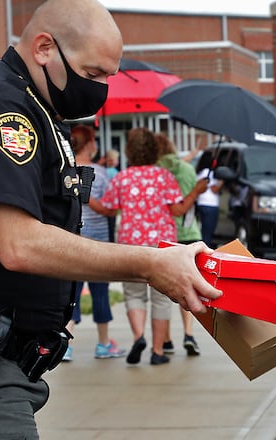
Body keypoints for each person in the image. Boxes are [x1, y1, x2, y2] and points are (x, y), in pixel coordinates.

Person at [0, 2, 221, 439]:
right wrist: (149, 263)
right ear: (44, 47)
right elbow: (19, 243)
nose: (98, 89)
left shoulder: (35, 109)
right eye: (93, 74)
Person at [101, 128, 208, 366]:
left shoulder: (122, 178)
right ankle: (157, 351)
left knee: (133, 294)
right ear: (155, 150)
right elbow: (178, 210)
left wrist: (87, 199)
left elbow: (108, 208)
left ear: (129, 151)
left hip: (131, 245)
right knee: (160, 298)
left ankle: (139, 337)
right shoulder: (164, 177)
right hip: (162, 247)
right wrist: (196, 192)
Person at [62, 125, 124, 361]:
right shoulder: (98, 172)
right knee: (100, 294)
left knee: (71, 295)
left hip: (70, 241)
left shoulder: (64, 171)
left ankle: (66, 343)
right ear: (89, 144)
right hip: (98, 244)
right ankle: (104, 343)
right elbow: (109, 207)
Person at [155, 133, 204, 356]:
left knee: (164, 290)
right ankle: (189, 333)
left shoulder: (154, 173)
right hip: (189, 231)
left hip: (164, 234)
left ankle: (166, 340)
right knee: (190, 287)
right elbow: (192, 200)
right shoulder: (187, 170)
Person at [195, 160, 223, 248]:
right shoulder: (208, 173)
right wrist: (222, 181)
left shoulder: (202, 172)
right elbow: (214, 189)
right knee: (207, 233)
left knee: (203, 230)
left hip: (202, 203)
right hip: (210, 204)